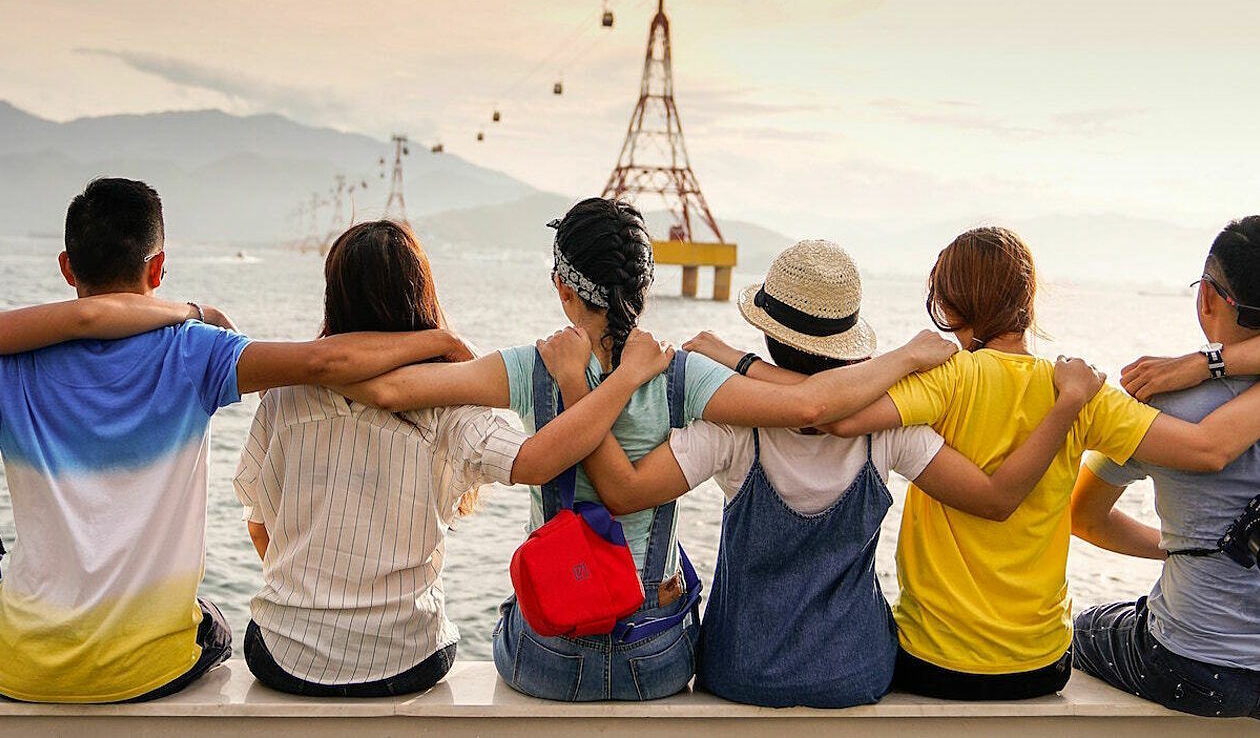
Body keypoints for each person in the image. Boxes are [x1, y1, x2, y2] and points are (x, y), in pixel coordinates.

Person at [336, 199, 964, 702]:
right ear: (644, 286)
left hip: (550, 656)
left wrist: (436, 340)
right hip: (655, 657)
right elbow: (810, 406)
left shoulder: (533, 366)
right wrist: (905, 357)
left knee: (512, 609)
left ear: (563, 287)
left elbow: (388, 389)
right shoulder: (684, 375)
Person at [691, 226, 1260, 700]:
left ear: (946, 307)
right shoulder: (1083, 392)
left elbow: (825, 412)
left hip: (933, 662)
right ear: (1029, 301)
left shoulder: (945, 379)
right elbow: (1203, 450)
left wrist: (733, 361)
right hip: (1041, 666)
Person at [538, 239, 1107, 709]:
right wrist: (1063, 406)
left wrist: (580, 389)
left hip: (742, 672)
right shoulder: (888, 428)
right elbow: (991, 497)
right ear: (847, 343)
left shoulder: (734, 429)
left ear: (766, 334)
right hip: (856, 674)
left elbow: (623, 491)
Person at [0, 178, 472, 704]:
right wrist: (442, 341)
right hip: (147, 667)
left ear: (67, 267)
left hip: (20, 663)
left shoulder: (10, 363)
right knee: (214, 625)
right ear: (158, 268)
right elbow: (326, 361)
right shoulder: (195, 351)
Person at [232, 220, 673, 698]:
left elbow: (261, 526)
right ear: (420, 295)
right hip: (405, 659)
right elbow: (534, 461)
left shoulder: (284, 397)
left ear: (333, 298)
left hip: (284, 655)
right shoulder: (449, 406)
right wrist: (623, 379)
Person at [1071, 217, 1260, 719]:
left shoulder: (1160, 406)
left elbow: (1084, 516)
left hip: (1193, 665)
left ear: (1208, 299)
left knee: (1082, 629)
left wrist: (1186, 552)